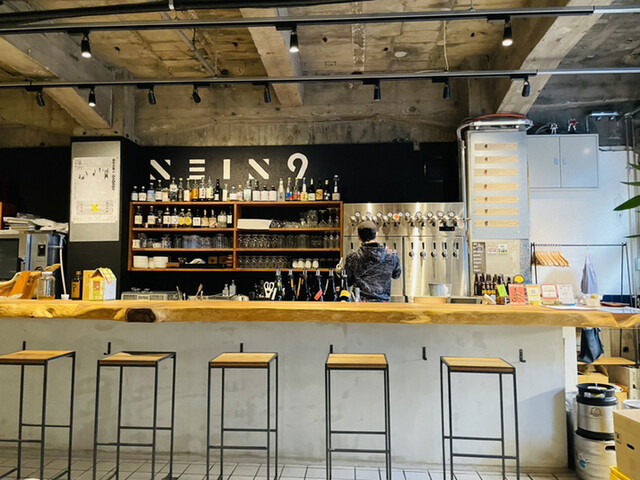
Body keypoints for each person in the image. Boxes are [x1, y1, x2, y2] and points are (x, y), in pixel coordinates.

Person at [344, 220, 401, 302]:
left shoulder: (353, 257)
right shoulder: (391, 256)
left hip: (360, 304)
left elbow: (348, 282)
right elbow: (396, 275)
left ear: (359, 237)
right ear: (376, 235)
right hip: (383, 304)